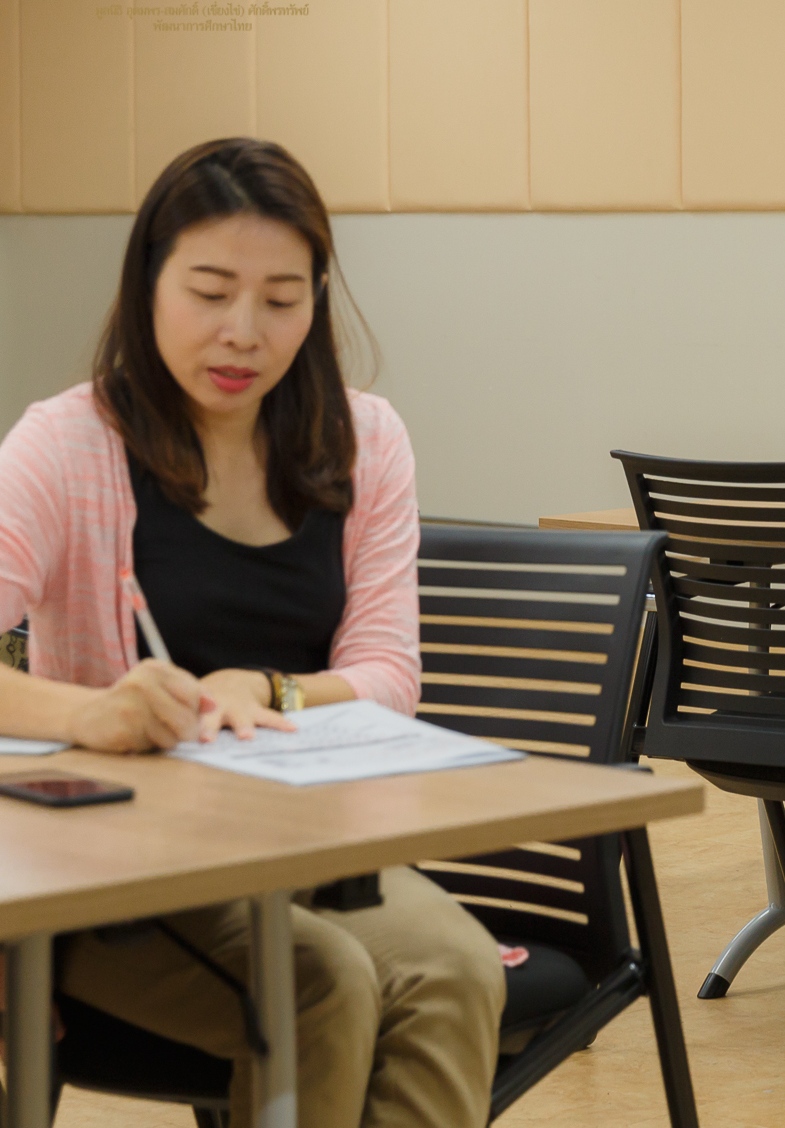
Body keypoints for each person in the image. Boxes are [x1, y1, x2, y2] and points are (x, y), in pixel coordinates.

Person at [0, 138, 505, 1127]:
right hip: (121, 868)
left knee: (455, 967)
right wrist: (93, 714)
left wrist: (267, 689)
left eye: (280, 299)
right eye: (210, 292)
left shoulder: (364, 440)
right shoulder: (67, 445)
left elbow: (388, 671)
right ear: (148, 284)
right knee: (322, 985)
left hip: (310, 844)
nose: (243, 333)